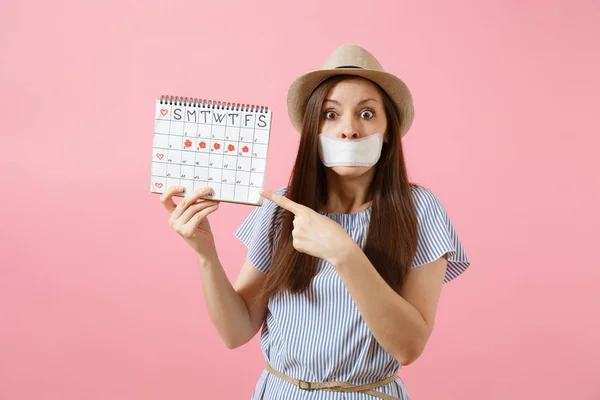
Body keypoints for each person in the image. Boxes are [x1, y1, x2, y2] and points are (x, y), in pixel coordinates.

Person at [160, 44, 471, 400]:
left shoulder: (420, 210)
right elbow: (236, 331)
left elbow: (409, 347)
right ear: (313, 130)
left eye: (367, 114)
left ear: (388, 132)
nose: (349, 130)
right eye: (331, 114)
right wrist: (205, 254)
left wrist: (345, 253)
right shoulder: (283, 207)